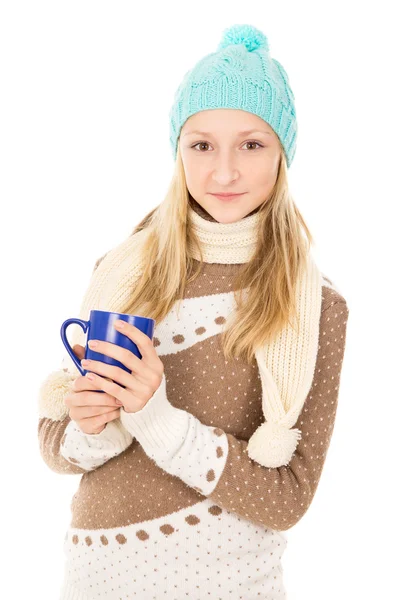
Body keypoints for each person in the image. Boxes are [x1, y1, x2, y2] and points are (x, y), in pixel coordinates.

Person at [37, 23, 349, 600]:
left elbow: (287, 499)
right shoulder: (122, 270)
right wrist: (89, 425)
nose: (223, 172)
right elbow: (56, 448)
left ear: (283, 151)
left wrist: (157, 420)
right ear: (178, 150)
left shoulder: (317, 307)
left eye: (251, 144)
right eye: (201, 144)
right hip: (94, 583)